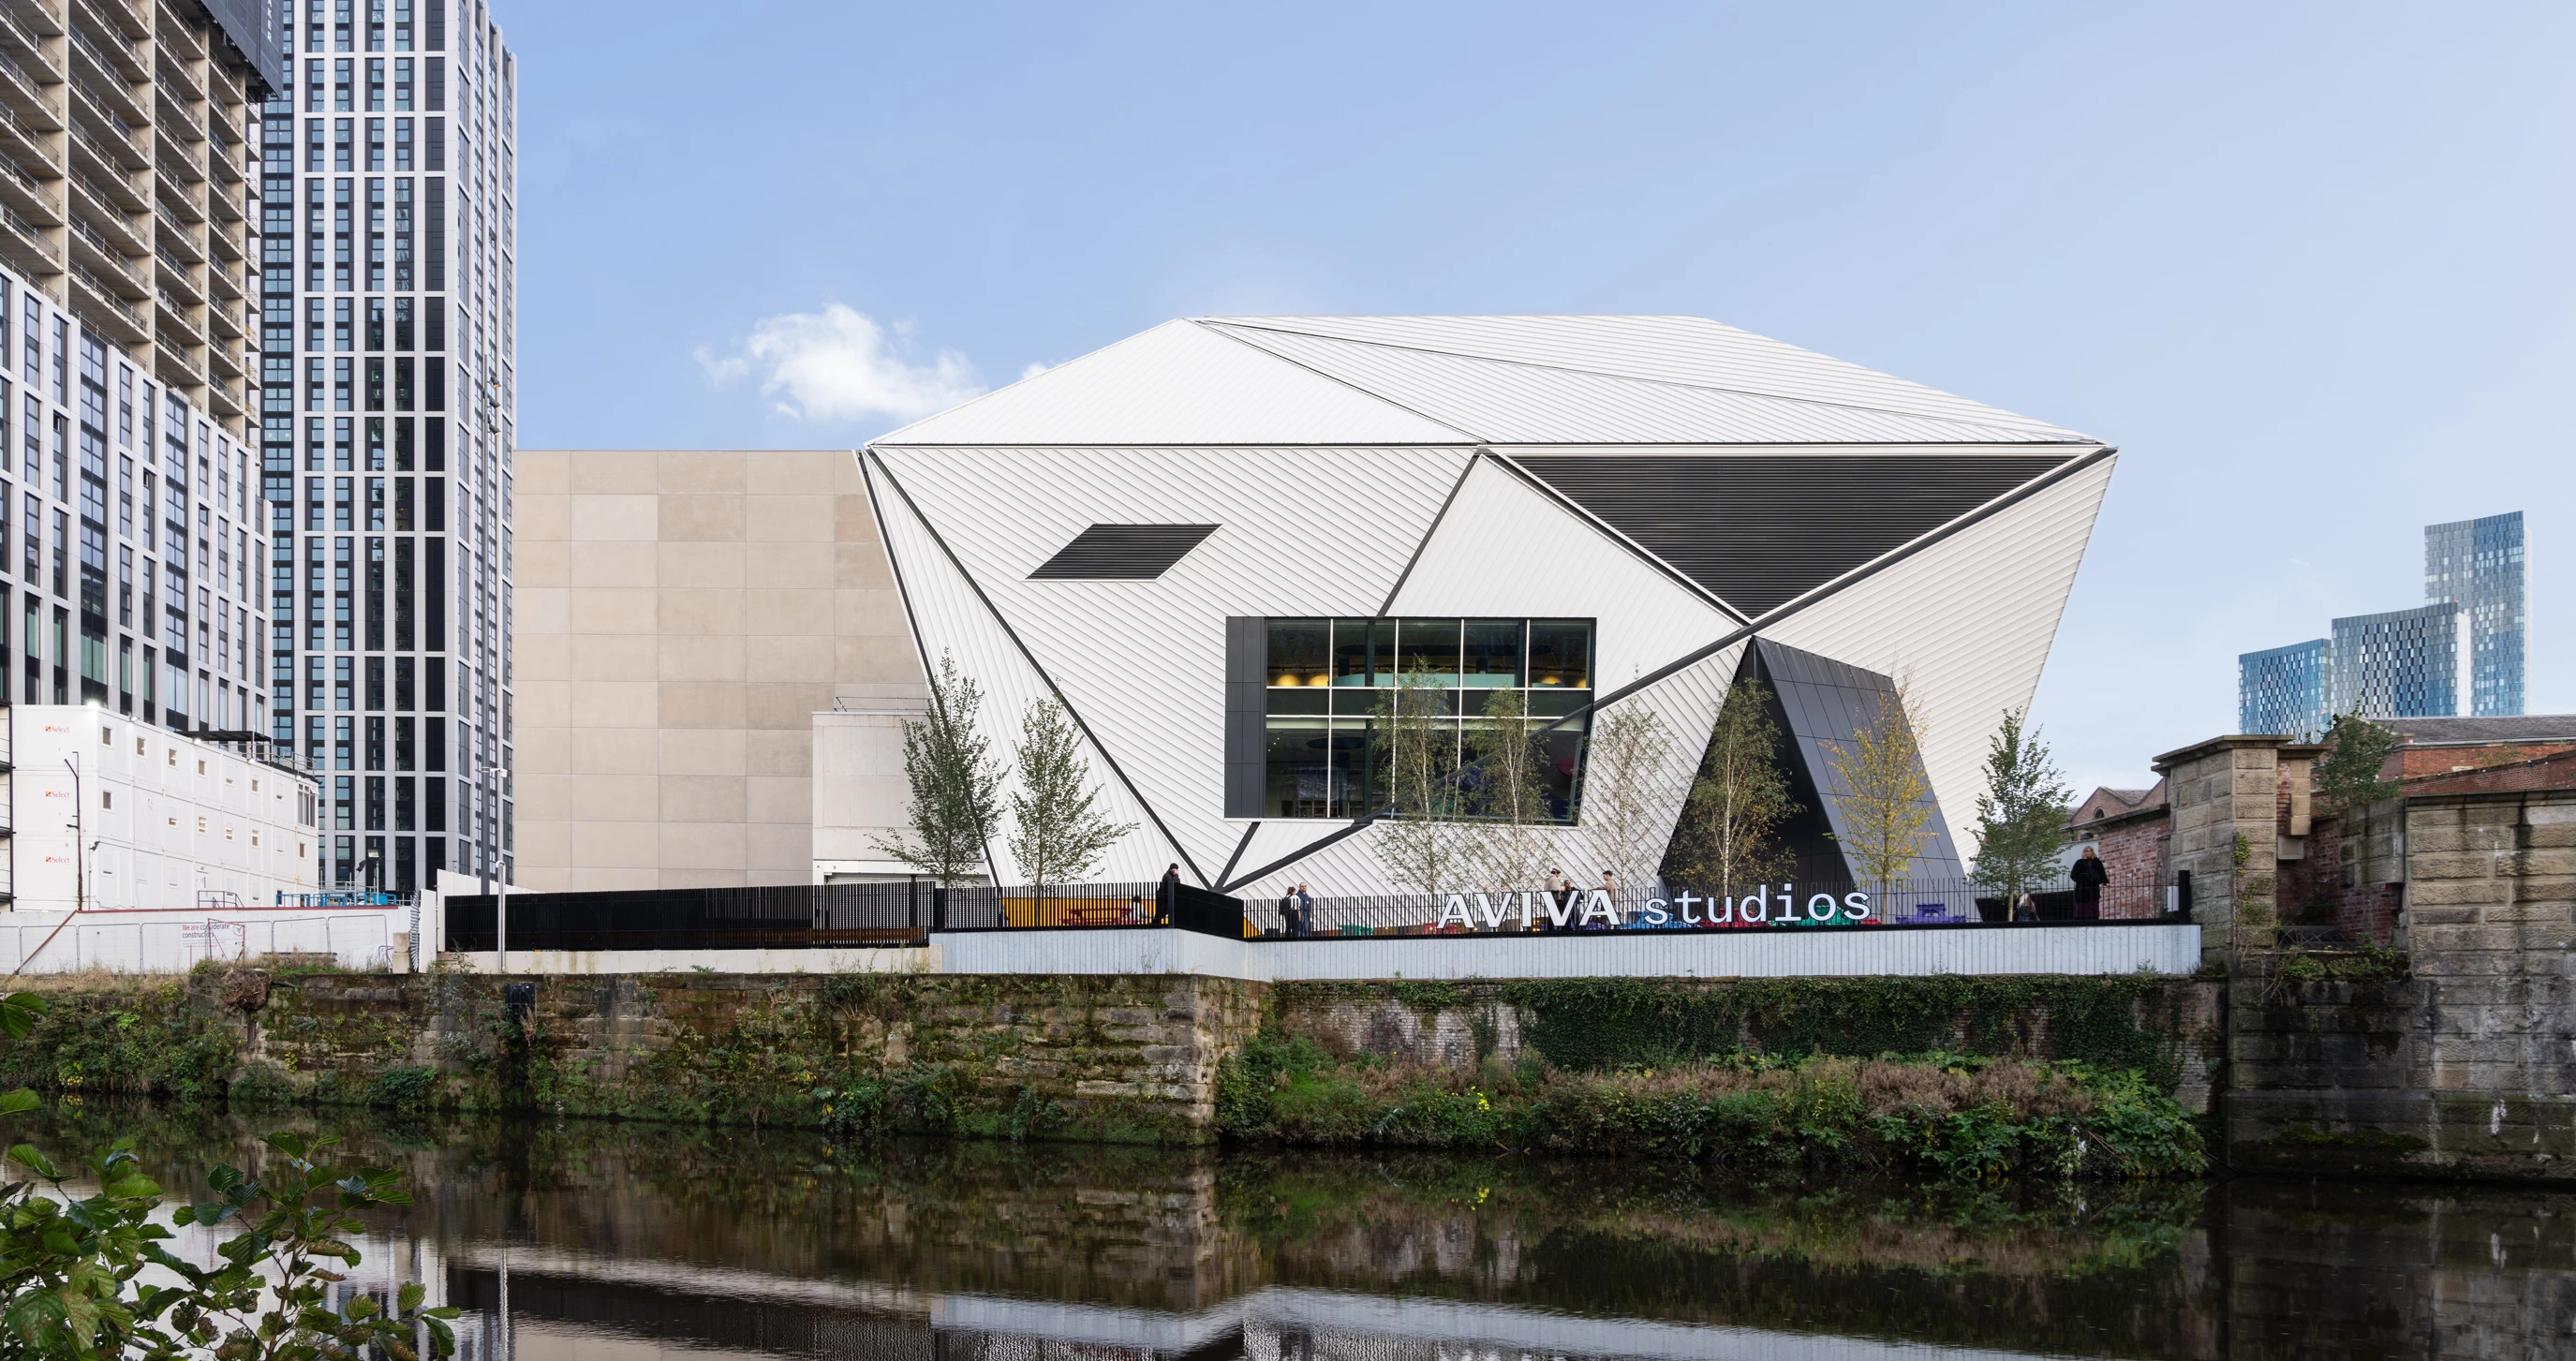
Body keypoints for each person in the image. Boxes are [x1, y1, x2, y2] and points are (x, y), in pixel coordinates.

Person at [2070, 846, 2109, 921]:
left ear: (2092, 852)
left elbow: (2101, 872)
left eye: (2090, 851)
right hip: (2082, 887)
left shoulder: (2097, 862)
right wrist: (2081, 879)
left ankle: (2093, 918)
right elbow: (2073, 875)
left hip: (2093, 886)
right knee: (2082, 903)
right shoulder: (2079, 862)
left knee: (2093, 902)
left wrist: (2104, 881)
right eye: (2087, 851)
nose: (2088, 852)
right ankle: (2081, 918)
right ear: (2084, 852)